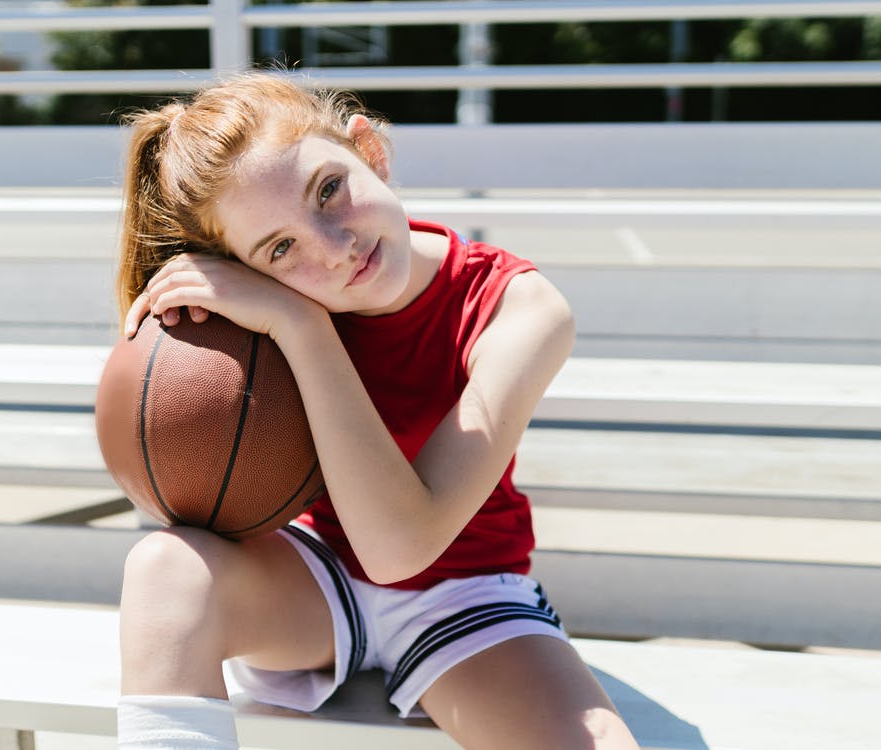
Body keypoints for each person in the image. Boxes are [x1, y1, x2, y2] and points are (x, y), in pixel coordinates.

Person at [113, 71, 639, 750]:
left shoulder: (518, 307)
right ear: (243, 268)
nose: (335, 248)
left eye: (328, 190)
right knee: (164, 567)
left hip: (465, 593)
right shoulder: (256, 311)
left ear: (371, 150)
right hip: (311, 577)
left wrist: (301, 327)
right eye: (279, 248)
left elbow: (400, 549)